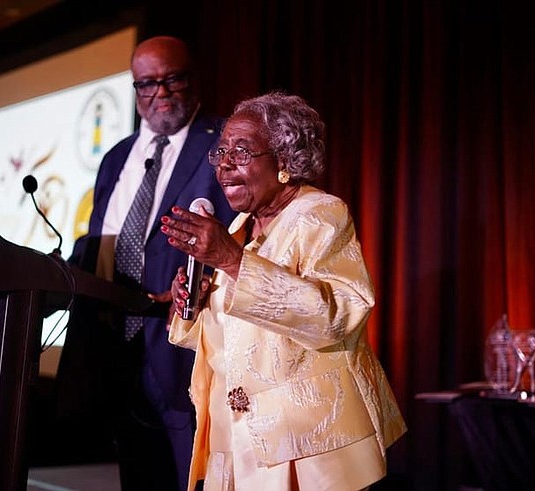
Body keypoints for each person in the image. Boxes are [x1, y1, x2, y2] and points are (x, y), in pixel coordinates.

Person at [160, 92, 407, 490]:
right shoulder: (240, 227)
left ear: (286, 161)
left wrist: (231, 261)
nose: (224, 164)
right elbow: (236, 343)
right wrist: (193, 304)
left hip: (307, 446)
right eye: (221, 151)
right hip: (237, 441)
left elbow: (335, 316)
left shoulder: (320, 214)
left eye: (241, 152)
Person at [55, 36, 235, 491]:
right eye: (148, 84)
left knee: (188, 474)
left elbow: (241, 240)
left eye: (173, 79)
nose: (162, 93)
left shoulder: (222, 145)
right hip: (116, 346)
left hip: (183, 345)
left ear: (192, 80)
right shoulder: (117, 156)